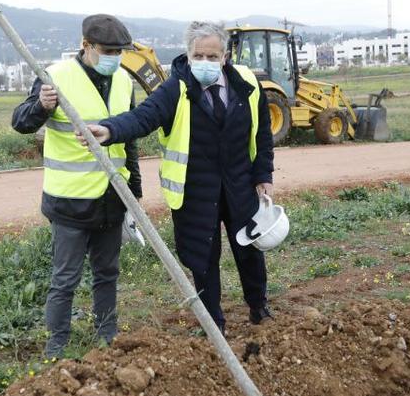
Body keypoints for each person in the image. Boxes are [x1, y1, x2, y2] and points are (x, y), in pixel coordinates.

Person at [80, 20, 274, 335]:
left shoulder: (247, 84)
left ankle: (259, 307)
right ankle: (214, 325)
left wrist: (263, 174)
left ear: (225, 56)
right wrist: (110, 130)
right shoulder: (176, 88)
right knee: (203, 259)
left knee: (250, 250)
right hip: (195, 192)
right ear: (189, 54)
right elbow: (143, 117)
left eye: (213, 57)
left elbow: (263, 133)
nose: (206, 63)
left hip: (240, 186)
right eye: (199, 56)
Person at [11, 14, 142, 357]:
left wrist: (135, 193)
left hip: (112, 198)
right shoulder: (56, 76)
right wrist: (41, 106)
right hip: (69, 201)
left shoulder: (125, 82)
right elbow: (20, 122)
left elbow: (129, 142)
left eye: (120, 51)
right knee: (65, 279)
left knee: (107, 273)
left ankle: (107, 335)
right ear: (86, 46)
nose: (115, 56)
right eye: (108, 50)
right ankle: (56, 345)